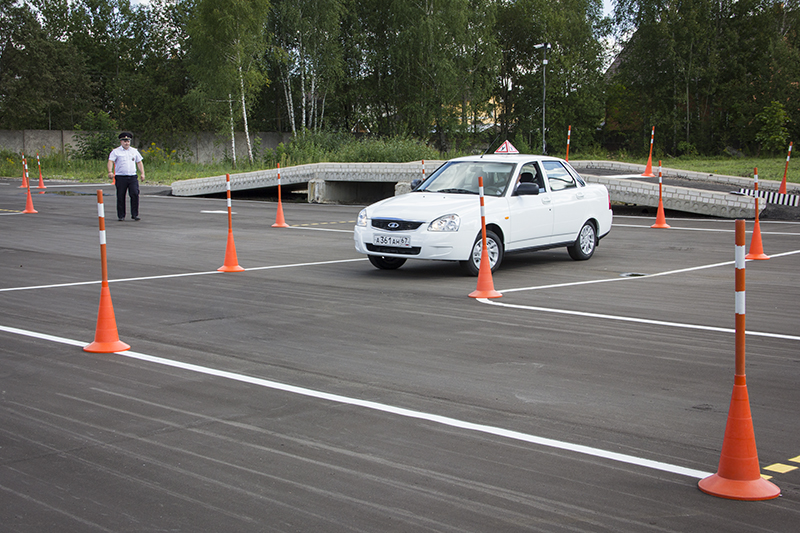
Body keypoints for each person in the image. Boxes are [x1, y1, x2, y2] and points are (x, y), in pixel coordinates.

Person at [107, 131, 145, 221]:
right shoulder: (116, 151)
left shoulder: (134, 151)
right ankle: (121, 215)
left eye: (128, 141)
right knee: (121, 196)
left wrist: (142, 173)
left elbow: (139, 162)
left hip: (132, 176)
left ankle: (135, 214)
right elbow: (110, 161)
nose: (126, 143)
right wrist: (110, 171)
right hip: (121, 177)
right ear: (121, 142)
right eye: (124, 141)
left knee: (135, 194)